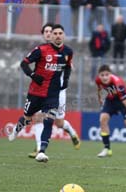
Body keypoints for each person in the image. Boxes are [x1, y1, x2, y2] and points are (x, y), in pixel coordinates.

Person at [8, 23, 74, 163]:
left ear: (64, 35)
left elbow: (68, 67)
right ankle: (16, 129)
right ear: (51, 36)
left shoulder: (68, 52)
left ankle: (42, 151)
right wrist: (33, 75)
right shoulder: (41, 50)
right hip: (36, 93)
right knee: (27, 118)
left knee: (48, 121)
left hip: (52, 95)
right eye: (55, 33)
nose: (57, 36)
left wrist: (66, 80)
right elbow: (24, 63)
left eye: (60, 33)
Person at [27, 23, 81, 157]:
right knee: (38, 118)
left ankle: (71, 132)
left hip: (58, 92)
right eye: (46, 31)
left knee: (59, 122)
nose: (48, 33)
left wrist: (65, 73)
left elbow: (69, 66)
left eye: (50, 31)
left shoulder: (64, 51)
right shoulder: (41, 50)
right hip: (41, 91)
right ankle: (39, 149)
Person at [95, 65, 126, 160]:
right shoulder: (98, 80)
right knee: (102, 119)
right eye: (102, 75)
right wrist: (100, 98)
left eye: (107, 75)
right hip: (111, 99)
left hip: (125, 99)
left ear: (110, 74)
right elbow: (99, 88)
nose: (104, 77)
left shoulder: (118, 83)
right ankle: (107, 149)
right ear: (99, 76)